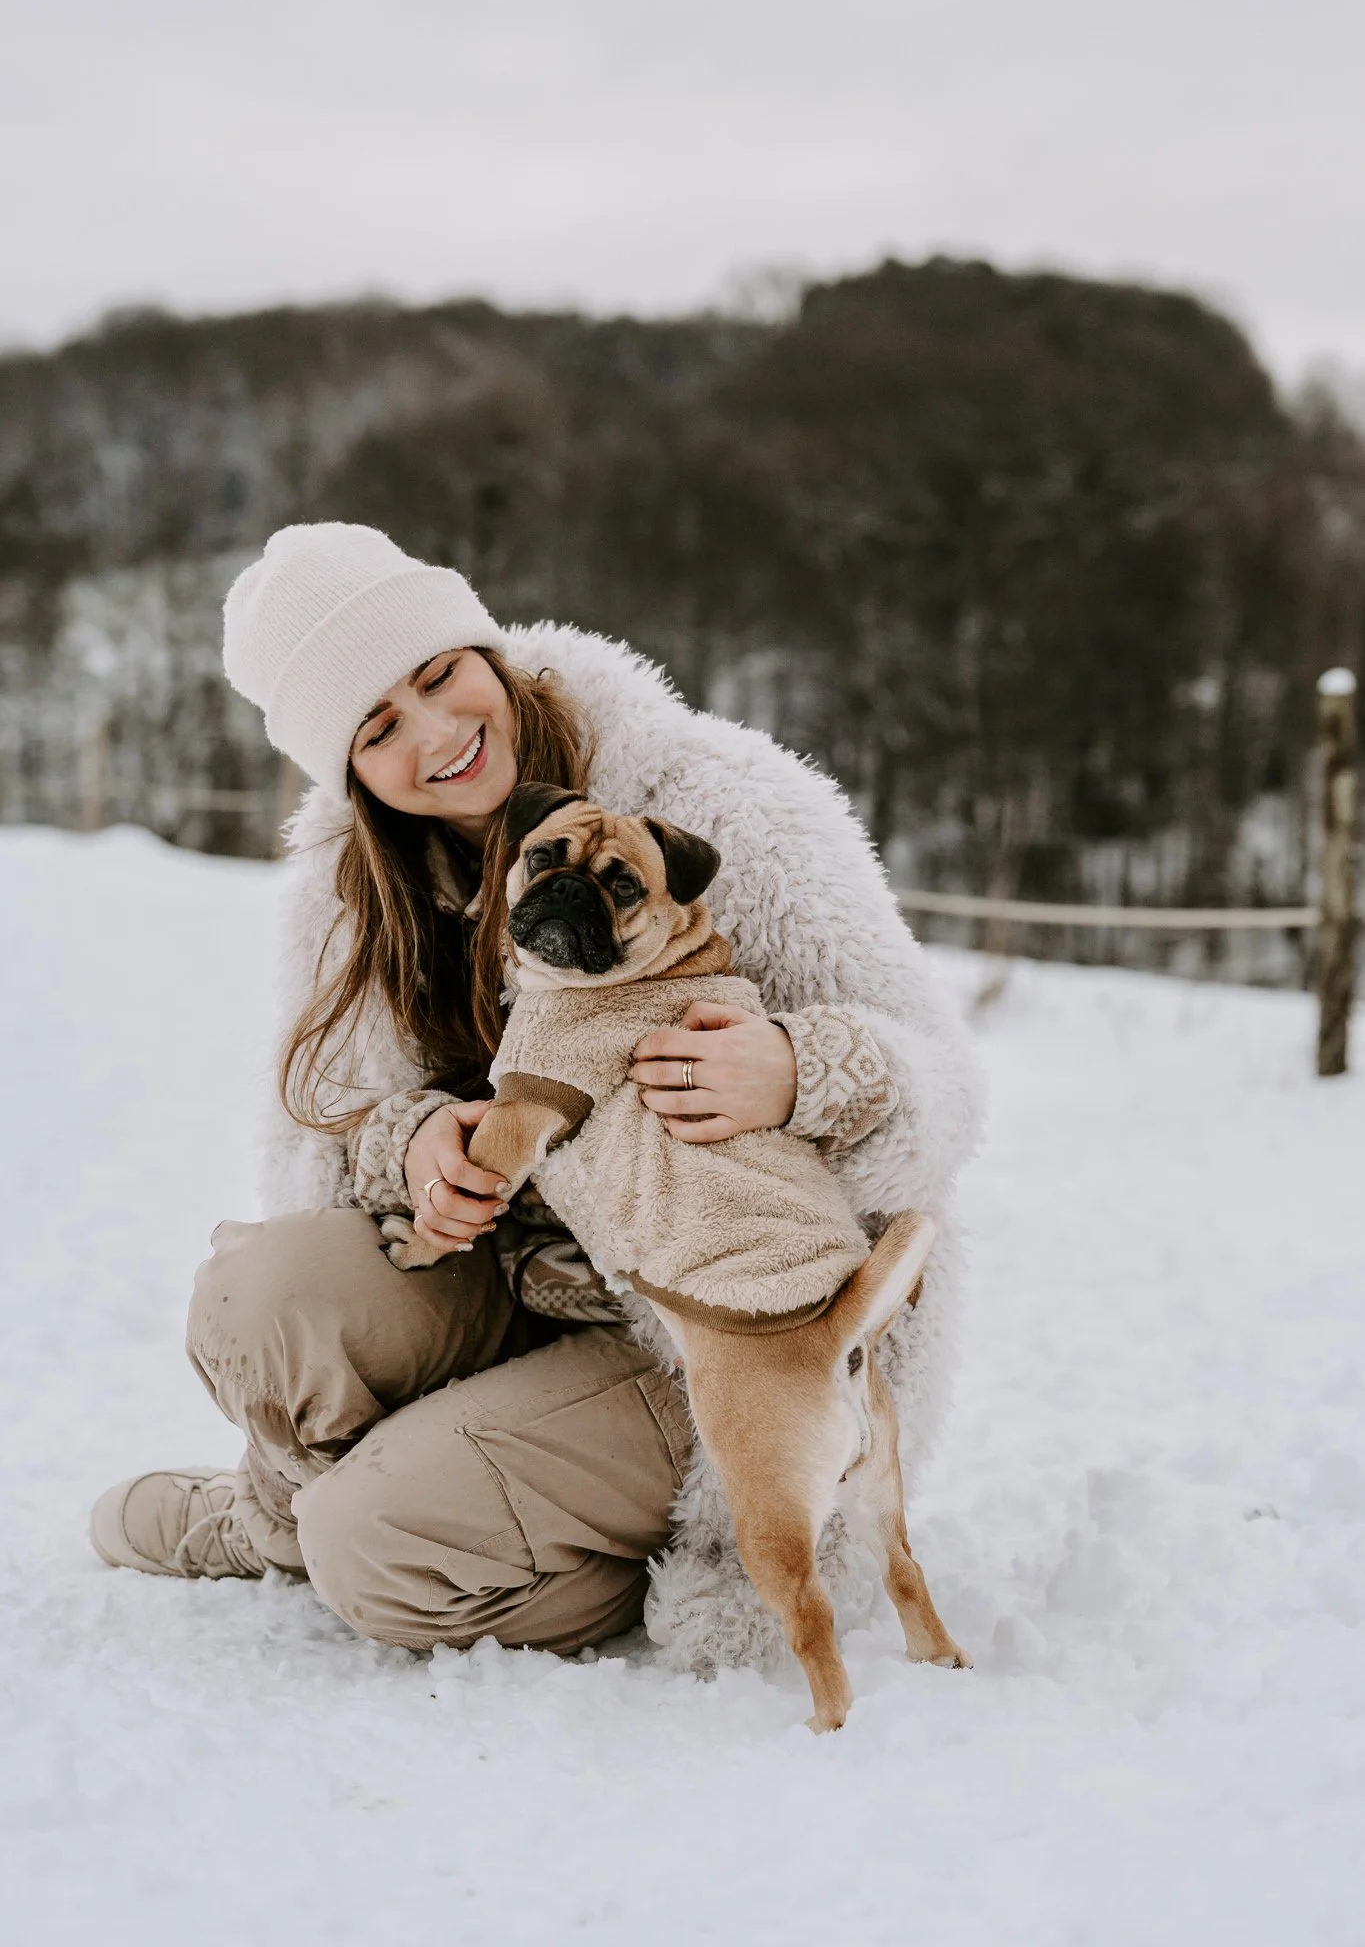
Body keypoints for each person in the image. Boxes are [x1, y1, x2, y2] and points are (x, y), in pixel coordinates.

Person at [90, 523, 982, 1671]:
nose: (436, 733)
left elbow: (944, 1086)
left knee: (375, 1548)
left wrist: (801, 1067)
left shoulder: (721, 800)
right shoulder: (357, 880)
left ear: (484, 648)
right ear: (348, 769)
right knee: (255, 1299)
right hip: (520, 1280)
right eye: (377, 728)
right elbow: (317, 1136)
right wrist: (415, 1142)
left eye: (437, 674)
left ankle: (414, 1527)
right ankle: (366, 1503)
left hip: (721, 1333)